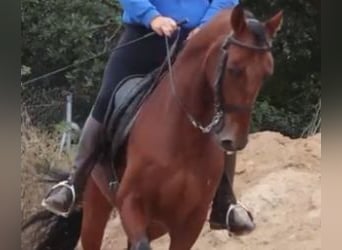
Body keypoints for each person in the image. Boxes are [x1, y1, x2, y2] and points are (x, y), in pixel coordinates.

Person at [42, 0, 254, 233]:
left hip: (200, 43)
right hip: (147, 35)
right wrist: (152, 17)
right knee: (108, 96)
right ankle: (73, 184)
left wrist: (206, 26)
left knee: (221, 106)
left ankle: (225, 203)